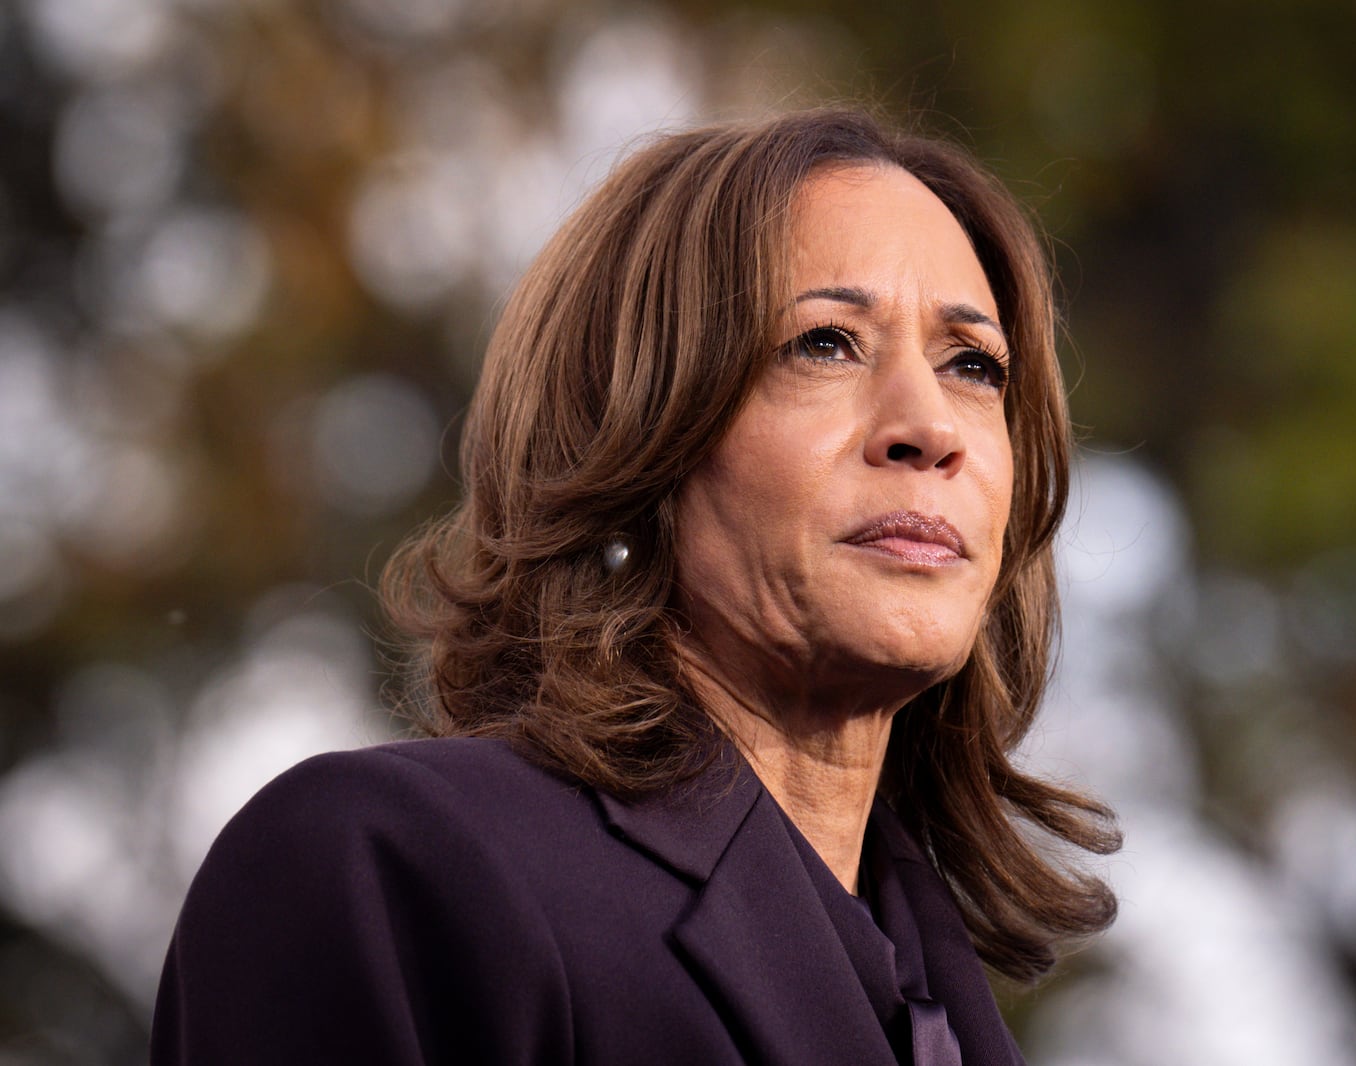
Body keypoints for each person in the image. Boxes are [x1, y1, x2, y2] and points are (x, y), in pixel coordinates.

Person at [151, 108, 1120, 1065]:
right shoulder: (382, 875)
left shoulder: (941, 1005)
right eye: (824, 342)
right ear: (633, 439)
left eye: (972, 364)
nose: (930, 426)